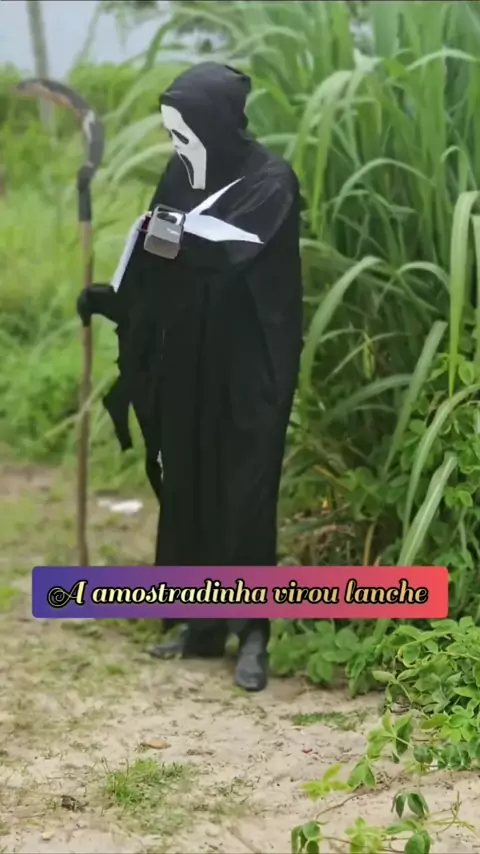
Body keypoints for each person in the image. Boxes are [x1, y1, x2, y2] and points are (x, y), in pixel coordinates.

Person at [76, 61, 303, 692]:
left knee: (244, 490)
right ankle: (199, 624)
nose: (177, 147)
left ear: (216, 127)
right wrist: (113, 300)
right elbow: (154, 262)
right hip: (185, 361)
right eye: (171, 135)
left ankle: (251, 632)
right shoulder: (179, 176)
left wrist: (170, 238)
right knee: (187, 486)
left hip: (248, 368)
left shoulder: (271, 180)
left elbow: (228, 251)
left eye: (185, 134)